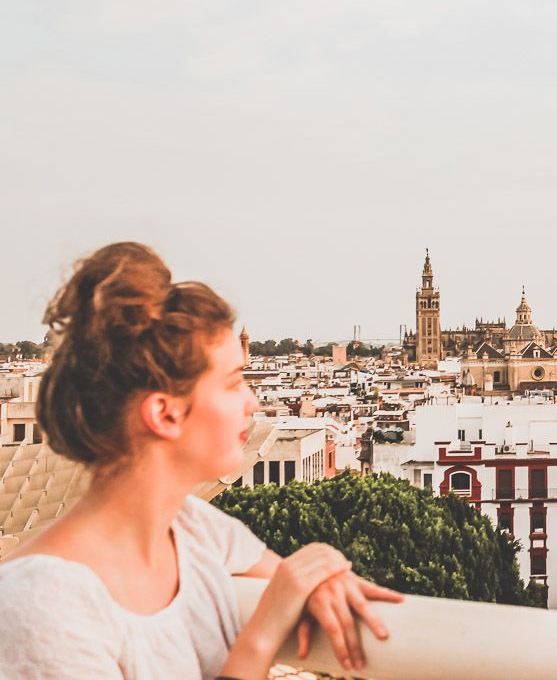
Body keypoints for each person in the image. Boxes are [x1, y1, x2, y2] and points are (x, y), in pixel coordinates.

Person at [0, 242, 402, 679]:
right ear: (165, 413)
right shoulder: (42, 607)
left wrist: (321, 565)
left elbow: (295, 577)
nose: (252, 402)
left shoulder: (193, 530)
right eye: (233, 384)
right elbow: (281, 593)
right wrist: (260, 641)